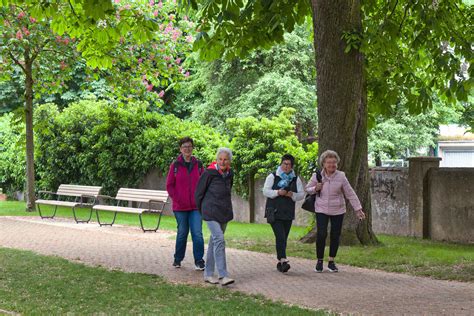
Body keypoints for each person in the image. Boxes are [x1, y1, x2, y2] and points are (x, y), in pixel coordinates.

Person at [305, 150, 365, 273]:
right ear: (323, 164)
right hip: (321, 208)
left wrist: (358, 209)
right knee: (321, 234)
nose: (332, 165)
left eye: (334, 162)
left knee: (335, 235)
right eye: (329, 162)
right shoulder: (317, 176)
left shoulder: (341, 176)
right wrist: (315, 188)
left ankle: (331, 261)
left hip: (338, 209)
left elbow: (350, 193)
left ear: (337, 164)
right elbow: (308, 189)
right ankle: (319, 261)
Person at [195, 148, 235, 286]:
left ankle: (208, 274)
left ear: (229, 161)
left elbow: (228, 190)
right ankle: (223, 275)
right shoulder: (208, 173)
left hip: (223, 212)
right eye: (220, 159)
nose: (222, 162)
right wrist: (202, 211)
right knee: (219, 239)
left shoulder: (230, 174)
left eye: (225, 159)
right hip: (210, 211)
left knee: (214, 242)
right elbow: (198, 193)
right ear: (216, 160)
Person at [166, 137, 205, 270]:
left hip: (196, 207)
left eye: (189, 146)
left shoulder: (199, 165)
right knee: (182, 232)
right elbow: (169, 185)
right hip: (180, 207)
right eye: (184, 146)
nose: (187, 149)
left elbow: (204, 183)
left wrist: (201, 199)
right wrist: (177, 199)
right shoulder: (175, 165)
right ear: (180, 149)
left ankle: (199, 260)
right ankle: (178, 259)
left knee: (197, 233)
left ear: (192, 148)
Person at [263, 154, 305, 273]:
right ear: (281, 163)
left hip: (288, 212)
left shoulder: (295, 179)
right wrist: (277, 192)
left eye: (289, 165)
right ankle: (283, 260)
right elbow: (265, 191)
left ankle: (281, 263)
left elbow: (301, 194)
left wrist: (292, 195)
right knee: (280, 236)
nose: (286, 167)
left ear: (292, 166)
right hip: (274, 212)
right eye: (284, 164)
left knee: (284, 238)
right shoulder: (272, 176)